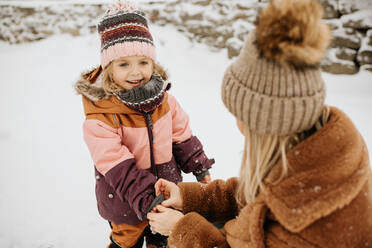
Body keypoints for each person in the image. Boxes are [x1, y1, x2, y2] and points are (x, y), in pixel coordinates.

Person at [147, 0, 372, 247]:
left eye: (242, 116)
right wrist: (190, 198)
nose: (238, 125)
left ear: (267, 123)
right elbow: (257, 196)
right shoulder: (308, 155)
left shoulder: (308, 232)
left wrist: (180, 229)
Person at [74, 1, 214, 247]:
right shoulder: (101, 116)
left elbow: (181, 135)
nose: (135, 72)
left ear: (153, 63)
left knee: (163, 240)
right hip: (125, 202)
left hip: (167, 193)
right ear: (108, 68)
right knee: (127, 241)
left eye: (143, 62)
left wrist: (199, 165)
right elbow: (116, 163)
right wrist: (147, 198)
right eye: (124, 64)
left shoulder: (166, 102)